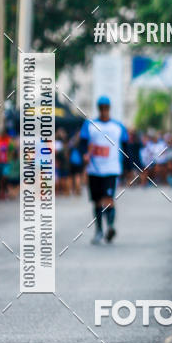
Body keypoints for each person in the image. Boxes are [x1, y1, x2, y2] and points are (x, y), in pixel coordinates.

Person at [79, 97, 128, 244]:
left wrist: (128, 167)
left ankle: (111, 227)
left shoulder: (118, 126)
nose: (104, 109)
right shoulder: (89, 125)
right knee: (97, 202)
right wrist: (84, 155)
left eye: (106, 107)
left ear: (109, 108)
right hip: (94, 169)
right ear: (98, 108)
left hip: (111, 169)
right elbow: (82, 144)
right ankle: (99, 230)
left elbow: (126, 147)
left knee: (108, 199)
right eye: (101, 107)